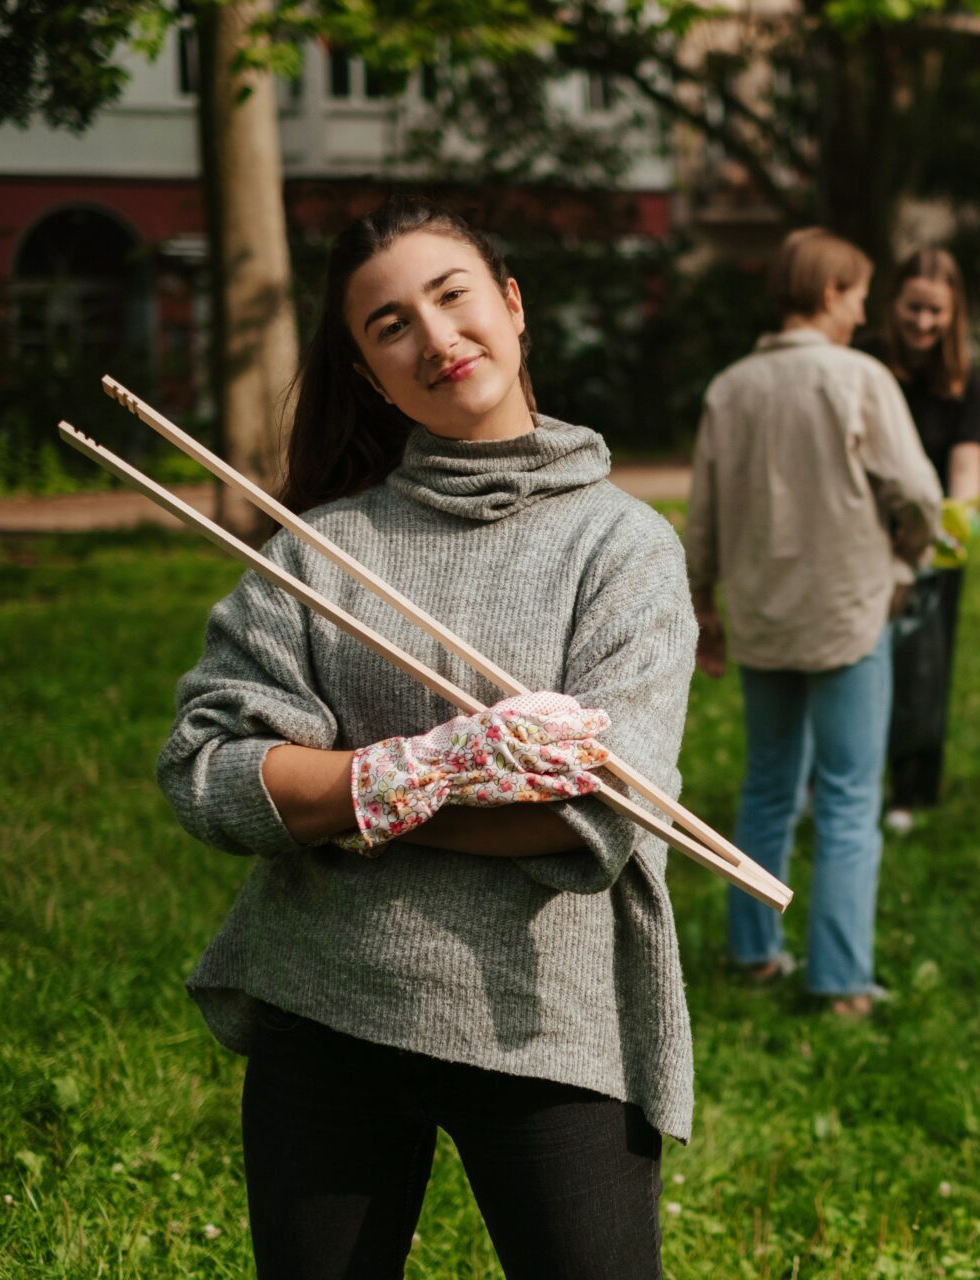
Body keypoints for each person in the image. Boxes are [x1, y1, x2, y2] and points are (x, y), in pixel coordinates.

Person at [158, 200, 695, 1277]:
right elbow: (210, 768)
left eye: (452, 296)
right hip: (330, 996)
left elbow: (595, 814)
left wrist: (340, 809)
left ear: (511, 302)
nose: (437, 337)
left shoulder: (622, 545)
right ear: (366, 370)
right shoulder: (322, 549)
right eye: (391, 323)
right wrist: (414, 771)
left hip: (549, 1013)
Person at [686, 228, 942, 1018]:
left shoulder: (729, 389)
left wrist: (703, 603)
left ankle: (754, 951)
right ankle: (838, 981)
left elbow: (703, 518)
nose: (866, 314)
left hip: (763, 616)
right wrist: (908, 559)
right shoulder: (860, 378)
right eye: (861, 296)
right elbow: (921, 494)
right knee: (847, 797)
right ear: (831, 293)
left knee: (767, 785)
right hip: (848, 614)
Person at [858, 247, 980, 833]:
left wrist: (954, 522)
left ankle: (910, 790)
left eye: (936, 311)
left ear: (954, 313)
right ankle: (836, 779)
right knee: (853, 663)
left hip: (930, 545)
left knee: (924, 669)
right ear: (893, 303)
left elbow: (966, 471)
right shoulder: (862, 362)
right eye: (914, 307)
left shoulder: (965, 383)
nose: (923, 322)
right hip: (861, 540)